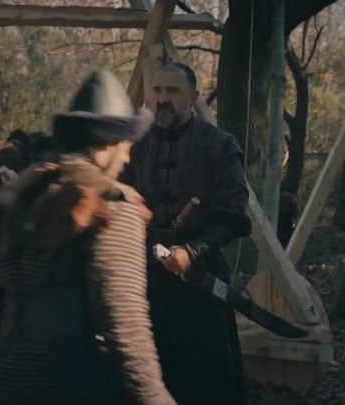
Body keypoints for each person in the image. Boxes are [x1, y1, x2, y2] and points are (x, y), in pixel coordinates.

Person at [0, 69, 176, 405]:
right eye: (125, 145)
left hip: (4, 382)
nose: (127, 156)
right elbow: (126, 331)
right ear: (107, 143)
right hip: (72, 384)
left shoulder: (20, 196)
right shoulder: (109, 207)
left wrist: (20, 351)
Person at [121, 62, 251, 405]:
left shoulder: (219, 145)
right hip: (144, 278)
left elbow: (236, 217)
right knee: (147, 376)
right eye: (157, 90)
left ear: (193, 97)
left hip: (200, 277)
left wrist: (192, 250)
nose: (163, 98)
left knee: (205, 378)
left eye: (173, 91)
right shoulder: (134, 144)